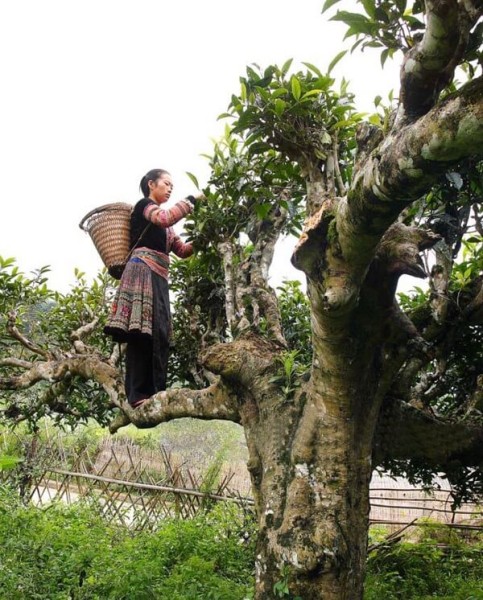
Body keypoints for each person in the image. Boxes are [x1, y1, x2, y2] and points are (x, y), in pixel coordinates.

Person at [104, 168, 197, 407]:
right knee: (140, 330)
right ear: (150, 184)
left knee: (159, 331)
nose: (169, 188)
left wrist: (205, 235)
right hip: (142, 271)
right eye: (166, 183)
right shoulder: (144, 206)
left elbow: (183, 251)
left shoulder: (168, 229)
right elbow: (164, 217)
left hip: (159, 277)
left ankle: (154, 391)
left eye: (171, 186)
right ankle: (137, 394)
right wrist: (191, 201)